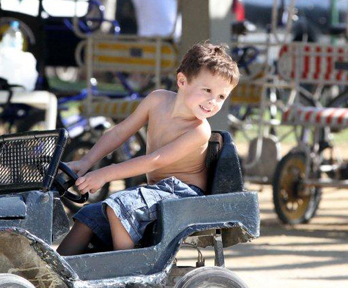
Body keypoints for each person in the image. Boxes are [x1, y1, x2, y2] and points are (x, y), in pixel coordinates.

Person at [57, 42, 239, 255]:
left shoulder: (199, 130)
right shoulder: (157, 100)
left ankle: (127, 276)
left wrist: (105, 174)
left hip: (183, 194)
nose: (212, 102)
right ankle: (51, 277)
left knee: (119, 209)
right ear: (182, 81)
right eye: (207, 90)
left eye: (221, 97)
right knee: (89, 216)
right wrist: (86, 162)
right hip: (157, 189)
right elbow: (120, 132)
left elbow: (155, 160)